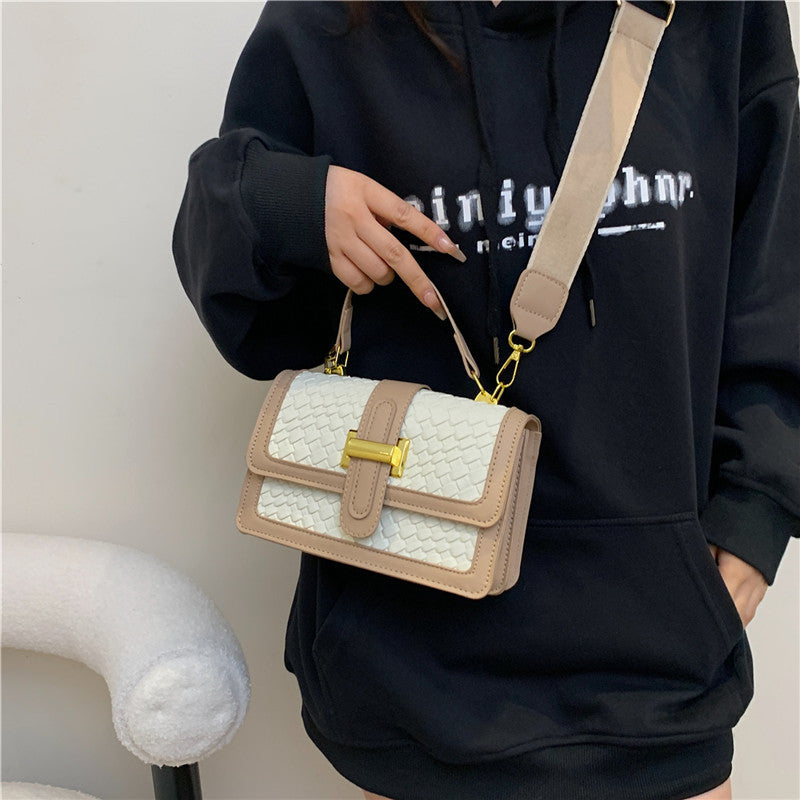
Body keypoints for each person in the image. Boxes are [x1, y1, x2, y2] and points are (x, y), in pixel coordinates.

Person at [172, 2, 800, 798]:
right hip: (407, 662)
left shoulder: (717, 15)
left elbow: (775, 272)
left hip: (656, 671)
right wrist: (293, 203)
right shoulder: (331, 20)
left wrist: (757, 509)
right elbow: (251, 316)